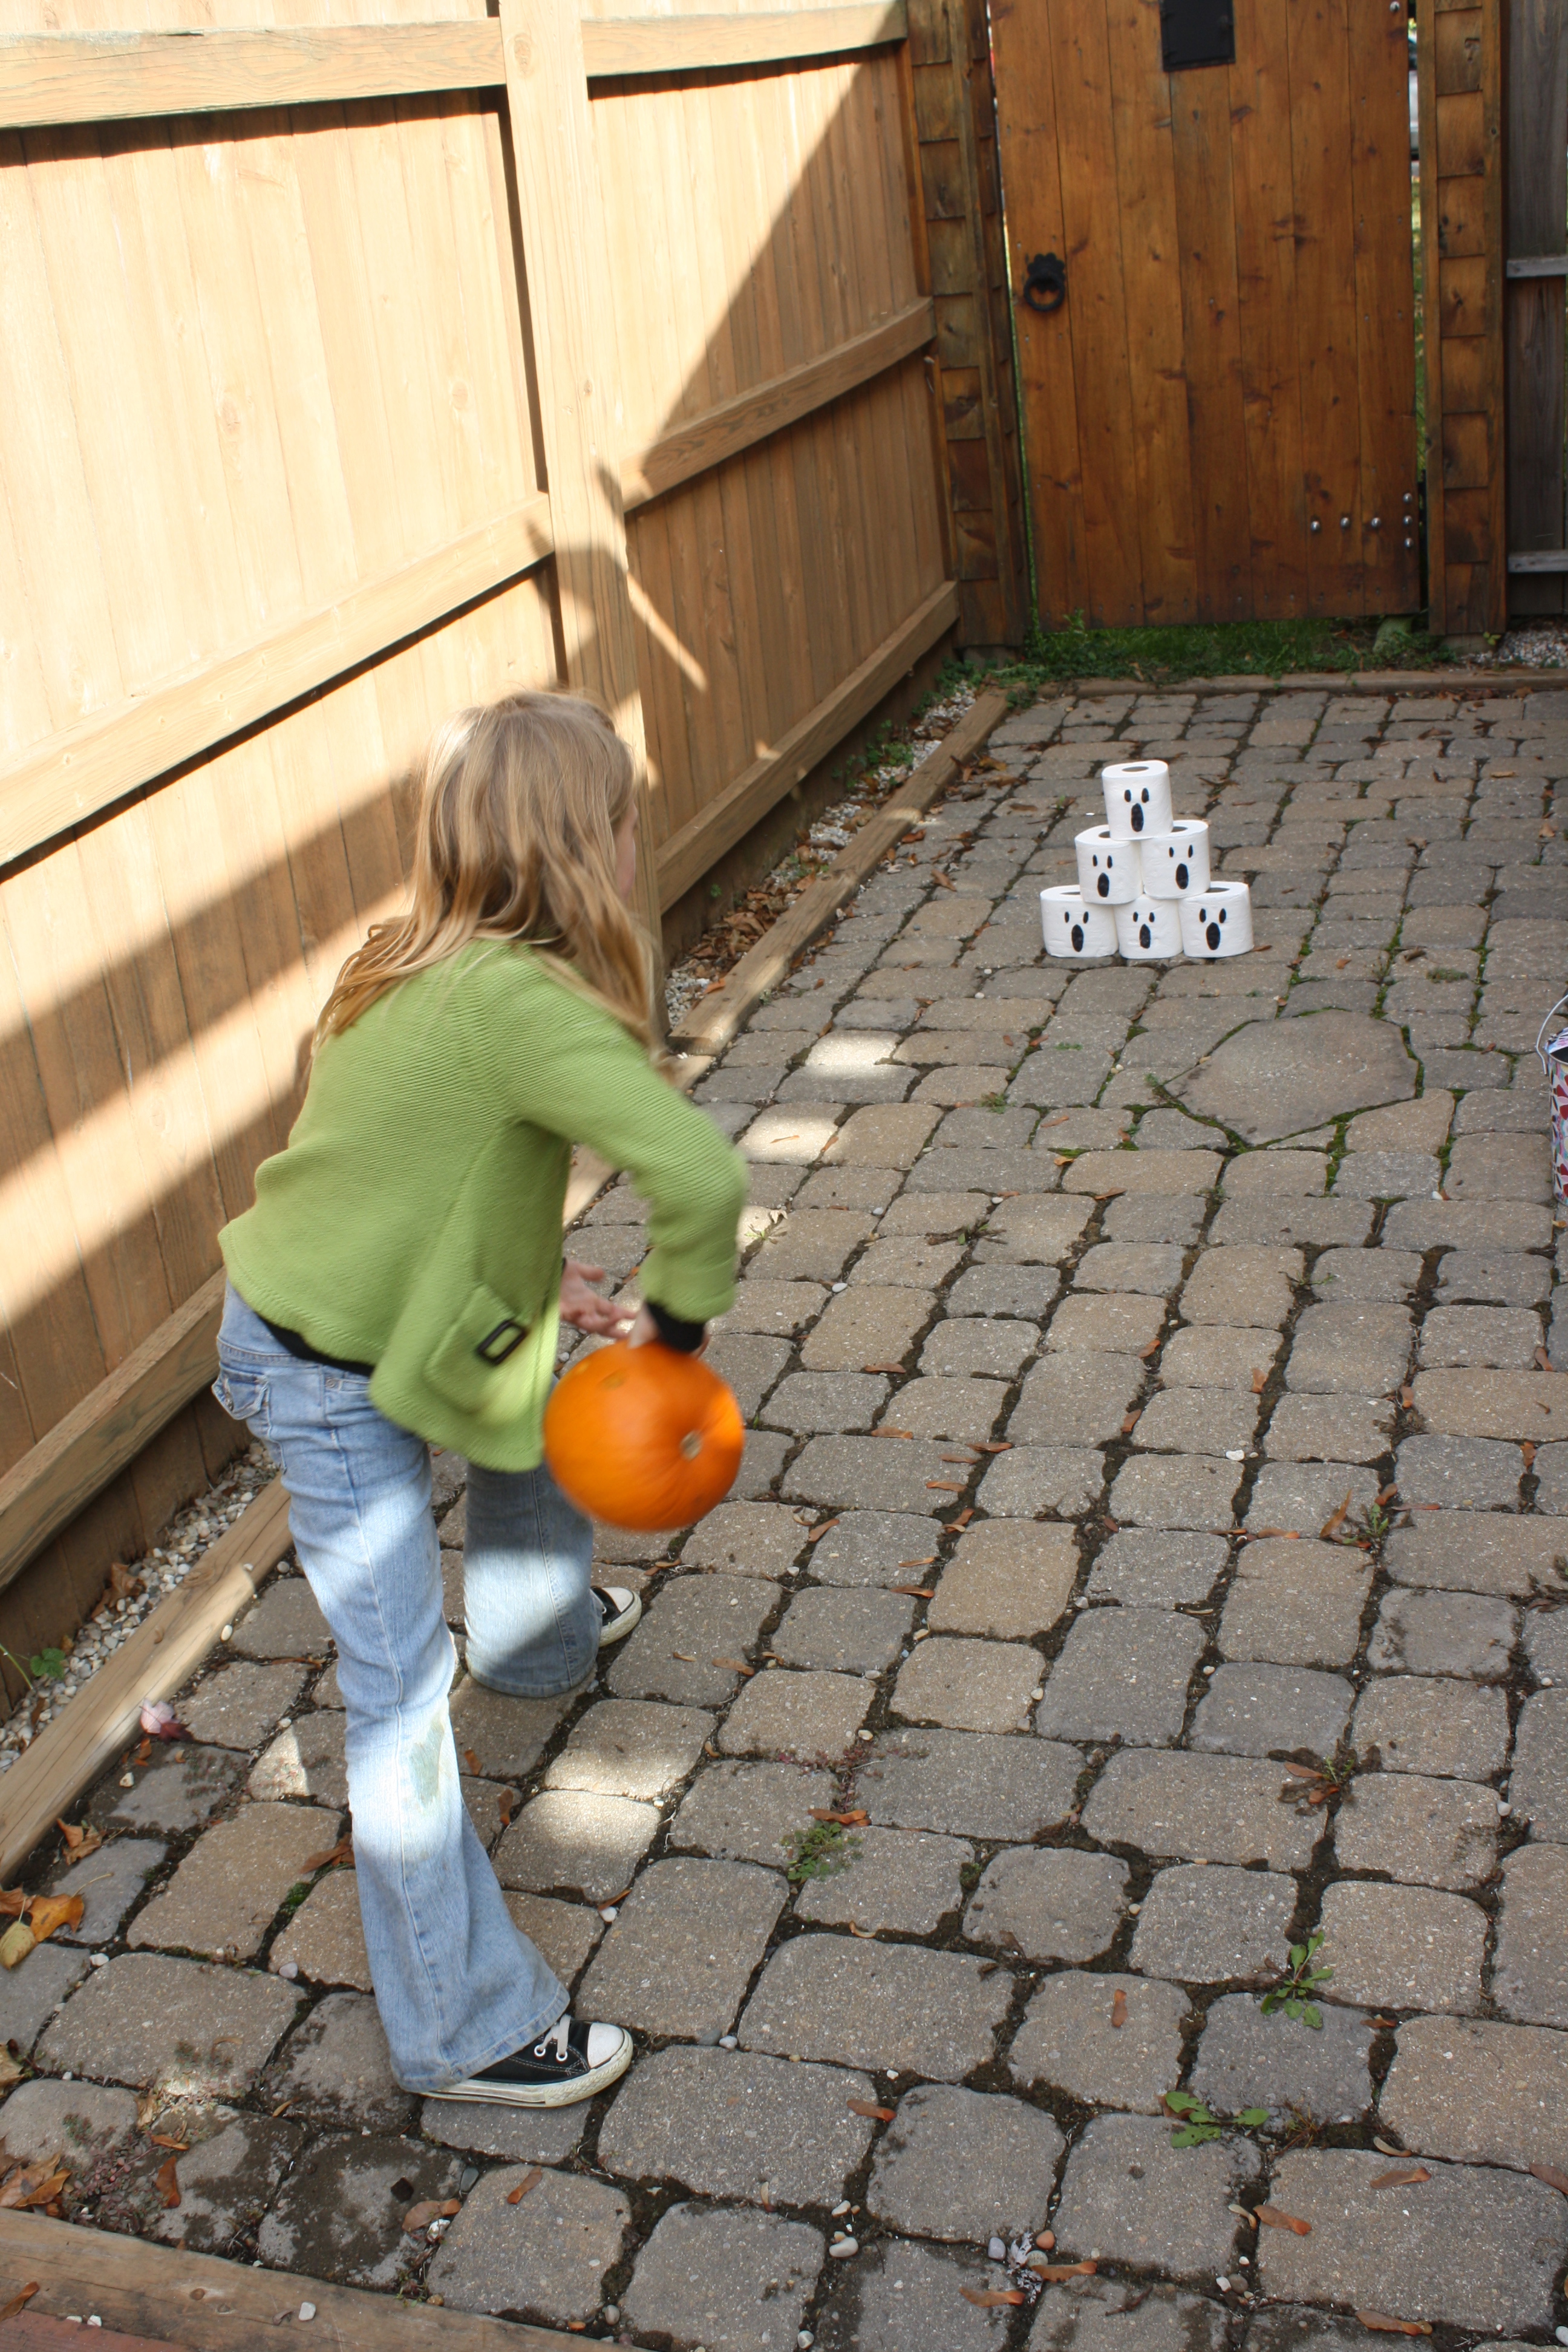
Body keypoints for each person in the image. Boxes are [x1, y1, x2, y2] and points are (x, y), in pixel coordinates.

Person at [212, 690, 746, 2108]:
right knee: (395, 1698)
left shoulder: (402, 957)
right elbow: (701, 1180)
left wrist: (536, 1269)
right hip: (320, 1372)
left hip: (357, 1311)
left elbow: (401, 1167)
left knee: (534, 1375)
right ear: (591, 845)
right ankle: (460, 2030)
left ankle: (530, 1634)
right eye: (626, 819)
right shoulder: (524, 1006)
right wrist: (677, 1328)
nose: (635, 840)